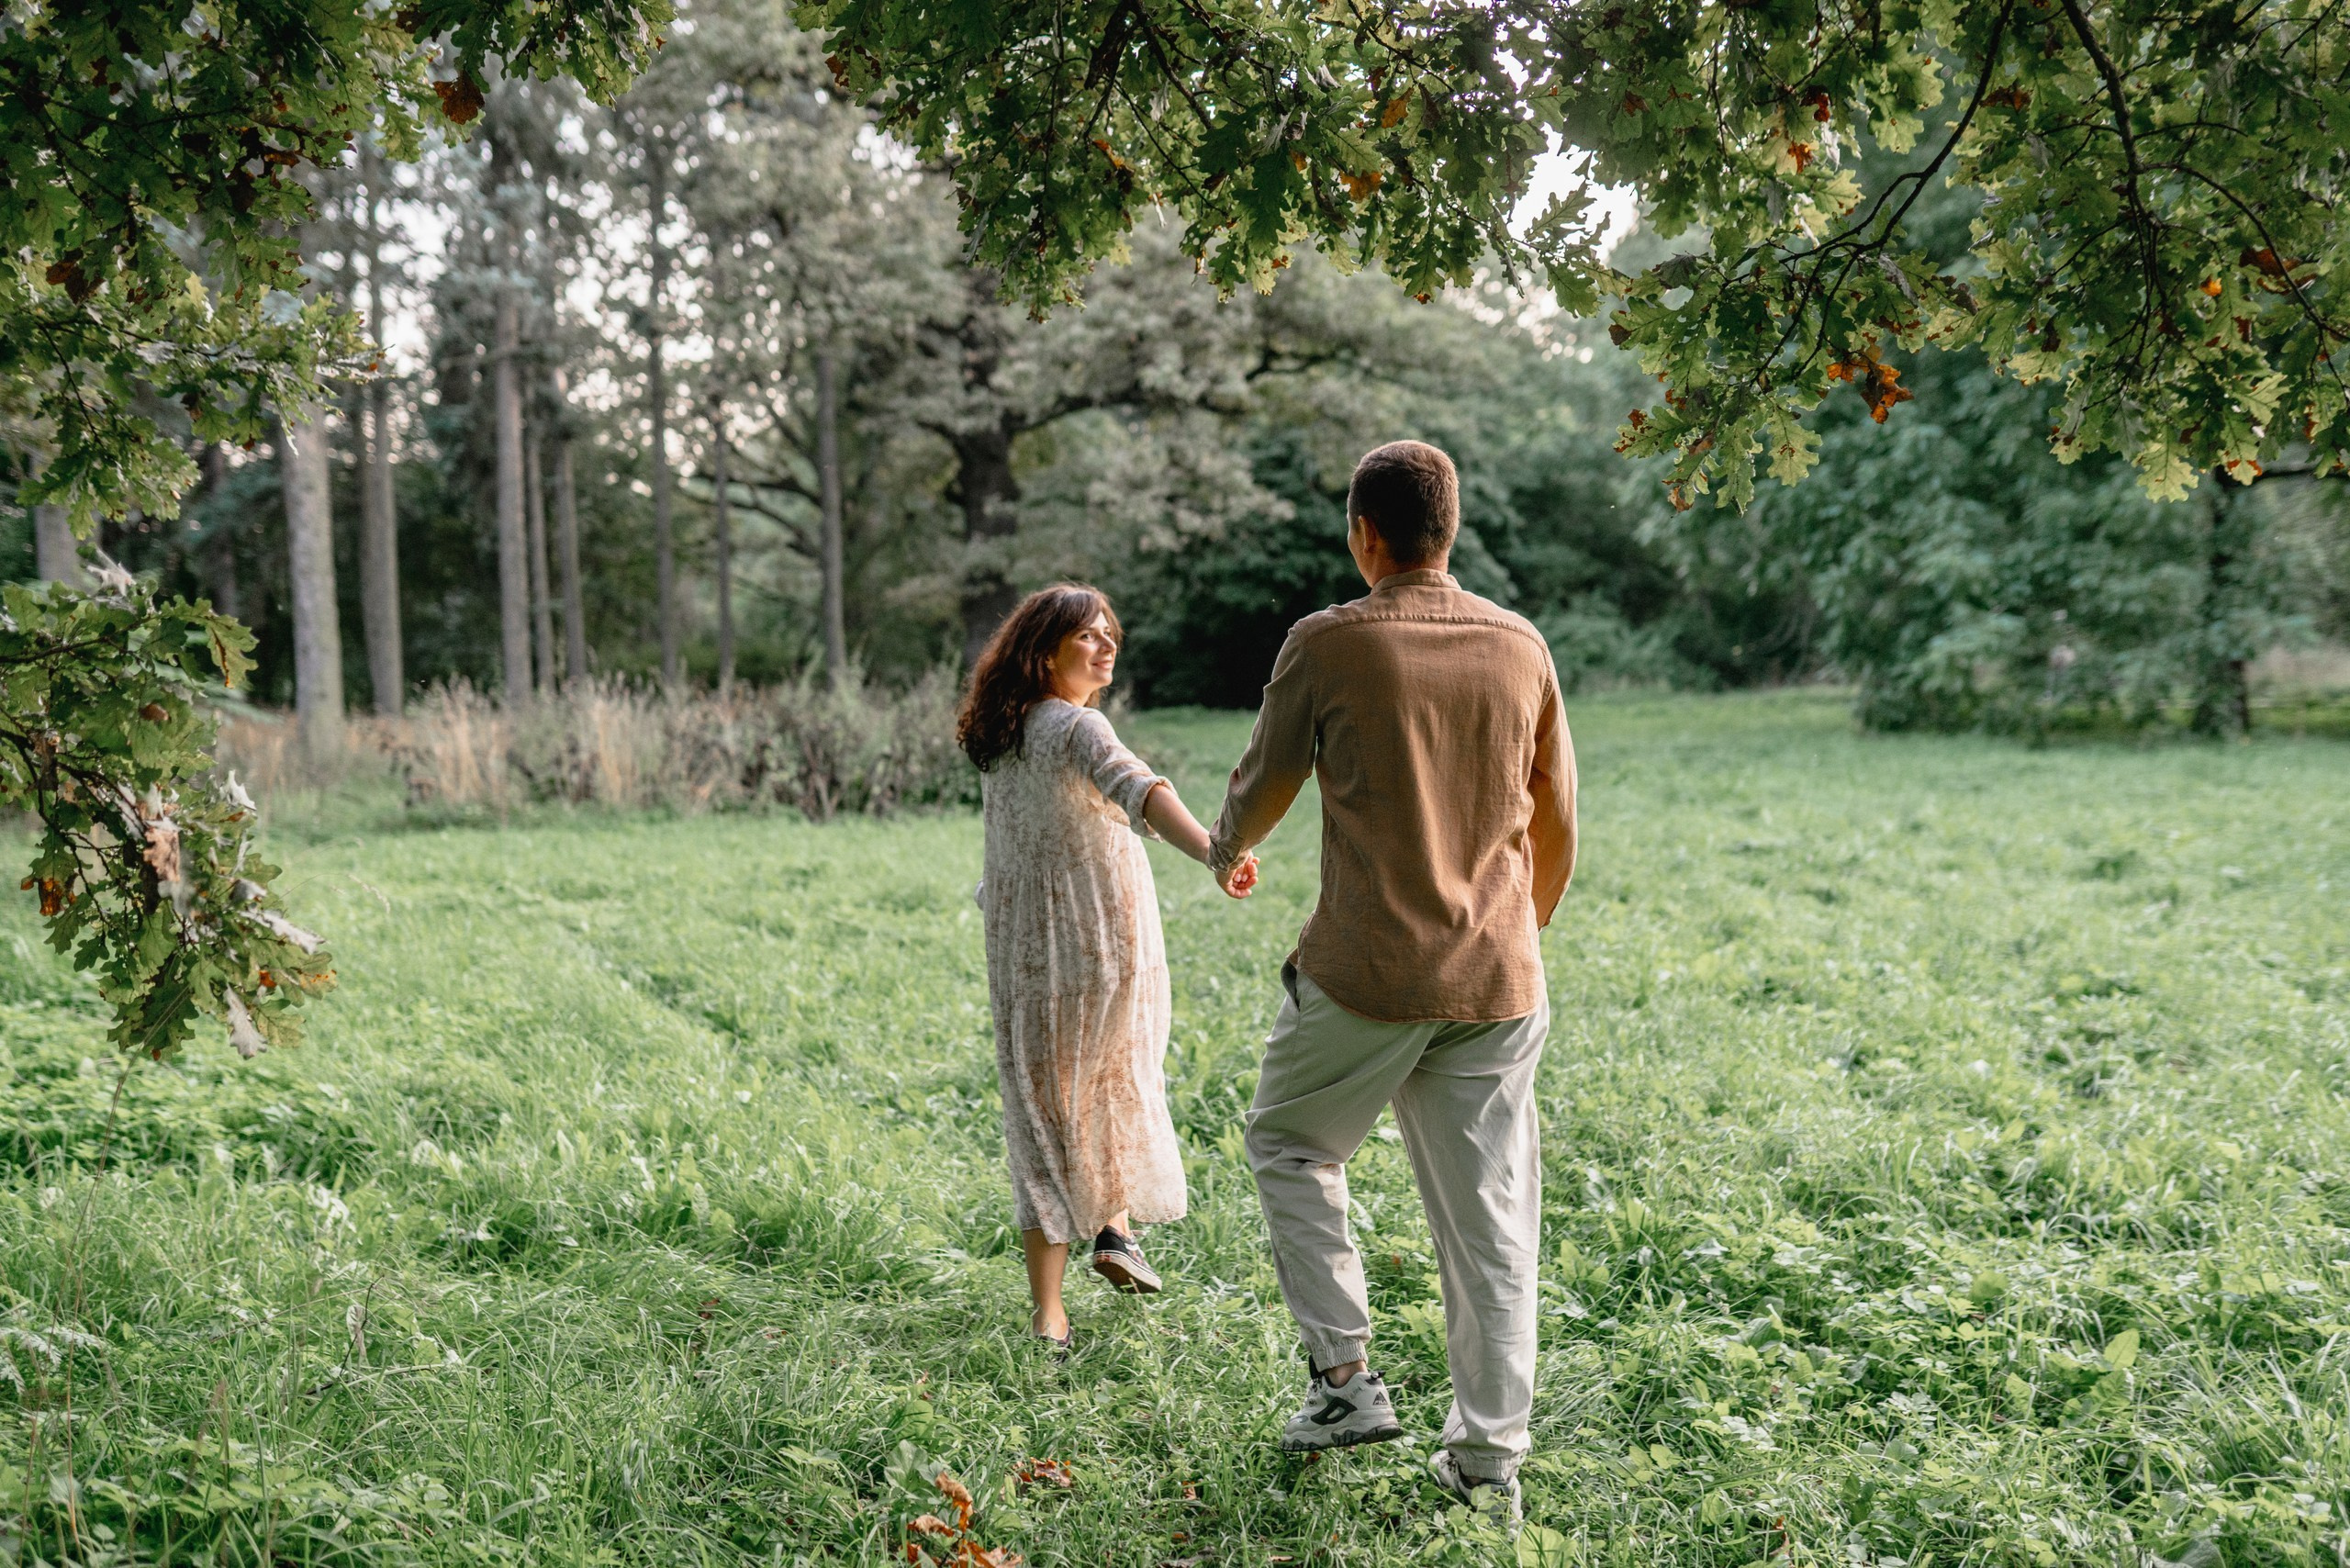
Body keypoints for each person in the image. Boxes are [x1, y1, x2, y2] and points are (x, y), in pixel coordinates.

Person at [1204, 441, 1576, 1527]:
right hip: (1499, 978)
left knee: (1289, 1141)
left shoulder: (1328, 642)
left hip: (1368, 973)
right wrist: (1520, 924)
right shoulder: (1520, 645)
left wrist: (1228, 845)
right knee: (1491, 1227)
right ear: (1447, 531)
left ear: (1364, 536)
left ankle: (1344, 1382)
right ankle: (1487, 1468)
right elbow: (1555, 814)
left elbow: (1263, 780)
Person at [959, 583, 1259, 1350]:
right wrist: (1216, 852)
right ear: (1042, 649)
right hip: (1100, 935)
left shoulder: (1002, 737)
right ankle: (1115, 1234)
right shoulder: (1076, 727)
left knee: (1040, 1107)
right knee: (1111, 1075)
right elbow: (1143, 789)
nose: (1106, 646)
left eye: (1110, 636)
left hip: (1022, 943)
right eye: (1088, 636)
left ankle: (1051, 1310)